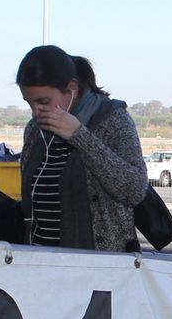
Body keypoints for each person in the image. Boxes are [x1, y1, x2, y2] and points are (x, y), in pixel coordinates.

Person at [17, 46, 147, 251]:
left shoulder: (114, 120)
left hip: (97, 266)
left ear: (72, 90)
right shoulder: (34, 131)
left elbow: (134, 190)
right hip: (41, 264)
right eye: (29, 103)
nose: (36, 111)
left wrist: (79, 136)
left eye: (43, 101)